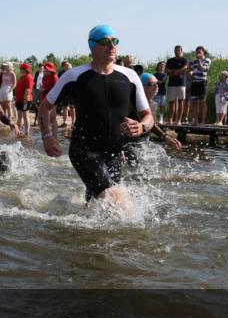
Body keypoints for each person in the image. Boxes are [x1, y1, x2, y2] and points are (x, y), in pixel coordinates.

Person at [40, 25, 152, 204]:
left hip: (115, 153)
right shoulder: (74, 76)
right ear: (92, 46)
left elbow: (147, 115)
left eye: (114, 41)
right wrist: (47, 136)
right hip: (84, 150)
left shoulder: (130, 76)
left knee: (97, 207)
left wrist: (142, 126)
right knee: (117, 202)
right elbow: (44, 107)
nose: (112, 46)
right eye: (105, 42)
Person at [187, 46, 212, 125]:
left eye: (199, 52)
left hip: (202, 82)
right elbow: (189, 71)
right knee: (194, 102)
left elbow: (203, 69)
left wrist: (199, 61)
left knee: (203, 102)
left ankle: (203, 121)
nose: (197, 53)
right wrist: (190, 74)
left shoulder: (207, 60)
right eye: (197, 52)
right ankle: (195, 120)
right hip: (194, 83)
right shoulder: (194, 61)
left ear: (203, 52)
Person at [165, 45, 188, 125]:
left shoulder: (184, 60)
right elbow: (166, 70)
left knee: (181, 101)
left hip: (181, 84)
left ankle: (178, 120)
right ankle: (170, 119)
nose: (177, 51)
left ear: (181, 51)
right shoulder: (170, 60)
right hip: (171, 84)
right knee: (171, 102)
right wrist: (175, 72)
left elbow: (184, 68)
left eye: (178, 50)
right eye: (175, 50)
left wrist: (173, 72)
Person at [14, 62, 34, 137]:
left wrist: (25, 100)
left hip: (26, 99)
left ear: (27, 70)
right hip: (19, 99)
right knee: (19, 116)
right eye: (21, 69)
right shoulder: (22, 76)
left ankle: (26, 132)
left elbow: (28, 89)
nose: (21, 70)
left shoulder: (29, 77)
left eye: (23, 69)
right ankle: (18, 131)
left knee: (25, 115)